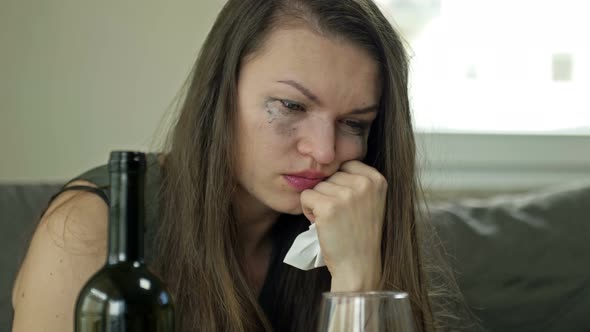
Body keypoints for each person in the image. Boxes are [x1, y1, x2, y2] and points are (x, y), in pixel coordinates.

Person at [11, 0, 465, 331]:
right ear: (220, 94)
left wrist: (358, 284)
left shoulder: (351, 225)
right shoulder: (91, 229)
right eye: (290, 105)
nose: (325, 151)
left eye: (354, 122)